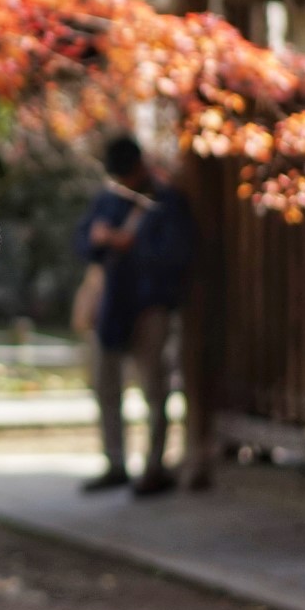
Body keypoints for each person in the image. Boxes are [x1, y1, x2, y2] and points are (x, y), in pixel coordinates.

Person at [75, 134, 195, 497]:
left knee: (154, 389)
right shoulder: (110, 197)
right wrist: (99, 240)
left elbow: (177, 254)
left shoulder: (166, 201)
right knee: (105, 386)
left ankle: (155, 466)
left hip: (150, 305)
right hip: (112, 304)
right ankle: (115, 463)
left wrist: (133, 245)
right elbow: (82, 241)